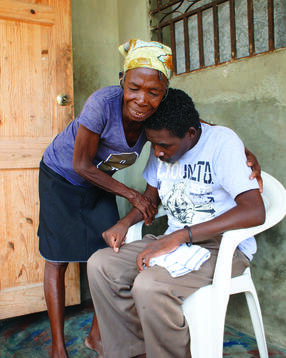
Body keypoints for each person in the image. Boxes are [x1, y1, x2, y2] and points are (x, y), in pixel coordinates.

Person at [38, 38, 260, 357]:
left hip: (210, 240)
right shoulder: (113, 110)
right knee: (79, 260)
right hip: (65, 176)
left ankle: (125, 343)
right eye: (134, 88)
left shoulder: (173, 131)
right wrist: (129, 210)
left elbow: (195, 128)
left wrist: (243, 151)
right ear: (123, 83)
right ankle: (91, 348)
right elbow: (91, 170)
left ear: (164, 94)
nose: (142, 99)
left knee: (127, 270)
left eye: (153, 92)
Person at [87, 88, 266, 358]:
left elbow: (255, 211)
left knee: (150, 285)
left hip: (222, 247)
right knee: (101, 265)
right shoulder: (162, 142)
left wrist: (183, 235)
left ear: (191, 134)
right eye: (153, 144)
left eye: (165, 146)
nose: (157, 152)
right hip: (174, 240)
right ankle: (133, 352)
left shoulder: (222, 143)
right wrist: (125, 223)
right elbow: (151, 198)